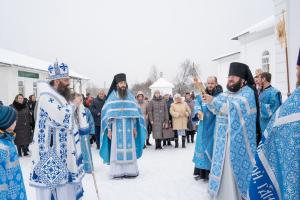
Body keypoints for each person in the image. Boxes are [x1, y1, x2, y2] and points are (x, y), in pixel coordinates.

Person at [29, 61, 89, 199]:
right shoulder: (46, 97)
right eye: (65, 80)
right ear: (56, 81)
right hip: (49, 152)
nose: (68, 83)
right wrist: (74, 104)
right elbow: (61, 117)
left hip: (62, 151)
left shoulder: (60, 96)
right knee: (52, 189)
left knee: (65, 189)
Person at [202, 62, 260, 200]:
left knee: (231, 172)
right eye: (229, 76)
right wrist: (208, 101)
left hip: (237, 143)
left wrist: (213, 101)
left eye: (234, 76)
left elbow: (232, 109)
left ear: (243, 80)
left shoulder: (248, 93)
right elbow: (217, 108)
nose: (230, 79)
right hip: (222, 141)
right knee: (221, 170)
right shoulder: (227, 93)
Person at [249, 48, 300, 200]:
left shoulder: (275, 92)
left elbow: (274, 110)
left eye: (259, 77)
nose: (258, 80)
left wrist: (260, 106)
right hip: (262, 128)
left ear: (264, 78)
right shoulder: (259, 92)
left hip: (270, 128)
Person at [100, 73, 147, 179]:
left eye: (124, 83)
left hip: (129, 127)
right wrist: (109, 130)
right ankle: (117, 171)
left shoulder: (130, 96)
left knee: (130, 148)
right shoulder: (112, 97)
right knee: (116, 148)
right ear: (117, 84)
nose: (123, 85)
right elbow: (107, 114)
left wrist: (135, 128)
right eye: (121, 83)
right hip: (116, 127)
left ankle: (131, 170)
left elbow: (135, 113)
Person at [193, 76, 223, 181]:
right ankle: (201, 172)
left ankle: (212, 172)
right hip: (203, 125)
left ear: (216, 83)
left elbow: (221, 108)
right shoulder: (201, 95)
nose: (210, 85)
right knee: (201, 147)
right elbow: (197, 104)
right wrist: (198, 112)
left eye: (212, 83)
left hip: (215, 125)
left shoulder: (220, 96)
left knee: (213, 147)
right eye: (208, 83)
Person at [0, 106, 27, 199]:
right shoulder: (2, 147)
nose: (16, 122)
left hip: (17, 189)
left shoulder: (7, 139)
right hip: (8, 194)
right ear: (6, 123)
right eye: (14, 120)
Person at [72, 93, 95, 174]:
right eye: (78, 99)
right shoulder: (71, 110)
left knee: (85, 150)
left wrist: (91, 133)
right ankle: (76, 167)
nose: (80, 101)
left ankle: (87, 167)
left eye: (81, 99)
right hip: (74, 135)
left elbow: (91, 122)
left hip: (84, 135)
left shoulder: (86, 110)